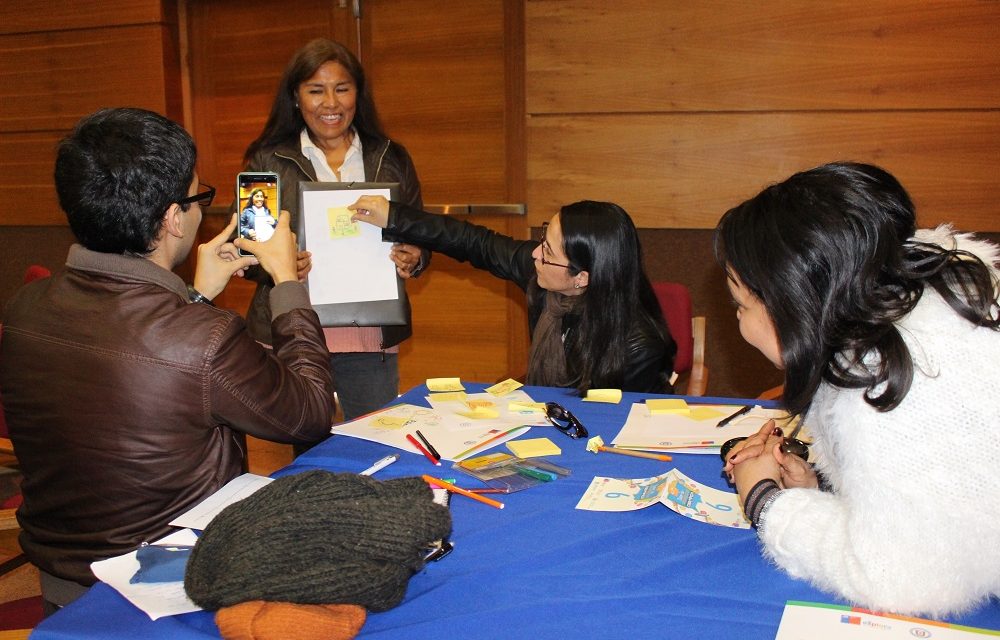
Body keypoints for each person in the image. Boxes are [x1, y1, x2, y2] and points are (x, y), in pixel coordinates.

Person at [0, 108, 336, 610]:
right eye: (199, 196)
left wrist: (194, 296)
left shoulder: (23, 307)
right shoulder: (202, 337)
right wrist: (287, 282)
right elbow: (309, 413)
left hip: (64, 587)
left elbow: (134, 368)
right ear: (174, 218)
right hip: (171, 588)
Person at [716, 162, 1000, 617]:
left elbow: (898, 580)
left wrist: (765, 499)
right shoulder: (924, 323)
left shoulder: (888, 384)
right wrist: (824, 487)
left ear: (790, 306)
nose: (737, 319)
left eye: (740, 304)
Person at [242, 38, 429, 421]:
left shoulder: (391, 157)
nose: (331, 103)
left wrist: (417, 257)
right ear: (296, 97)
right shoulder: (265, 158)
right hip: (296, 329)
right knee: (309, 452)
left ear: (358, 94)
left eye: (342, 89)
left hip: (369, 331)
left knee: (377, 441)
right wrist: (280, 266)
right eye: (316, 90)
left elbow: (422, 235)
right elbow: (247, 249)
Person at [349, 196, 676, 394]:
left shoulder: (638, 345)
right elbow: (473, 242)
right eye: (542, 239)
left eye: (548, 251)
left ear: (582, 277)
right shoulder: (544, 279)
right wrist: (395, 217)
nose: (535, 254)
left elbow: (606, 425)